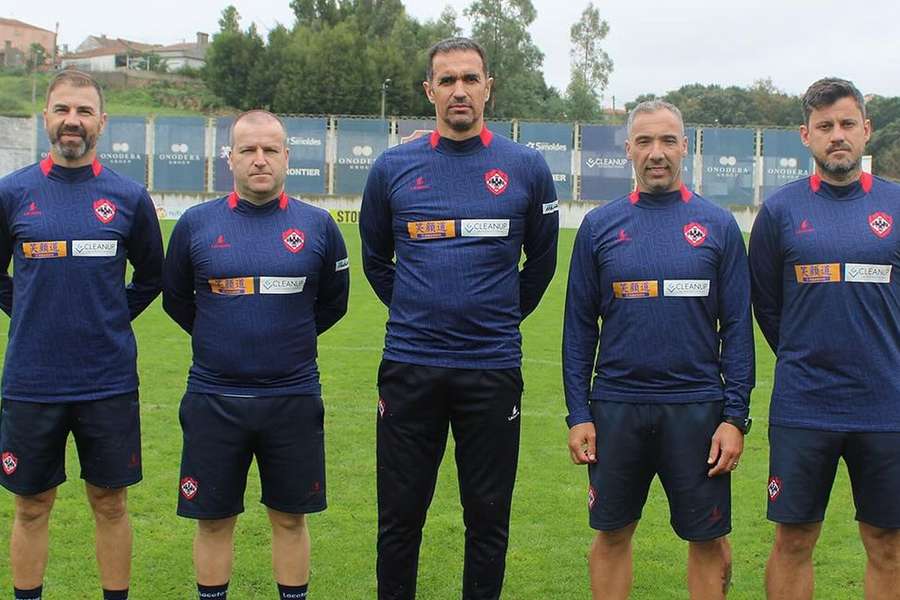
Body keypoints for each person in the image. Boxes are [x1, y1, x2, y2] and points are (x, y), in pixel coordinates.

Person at [359, 37, 559, 599]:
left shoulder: (525, 167)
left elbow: (540, 262)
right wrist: (415, 309)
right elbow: (375, 257)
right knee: (399, 520)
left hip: (491, 368)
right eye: (446, 80)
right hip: (410, 366)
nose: (459, 90)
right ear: (429, 91)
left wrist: (497, 317)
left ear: (488, 87)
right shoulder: (394, 166)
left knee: (488, 520)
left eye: (470, 78)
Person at [563, 100, 754, 599]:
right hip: (617, 407)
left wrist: (735, 418)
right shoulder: (599, 227)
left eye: (668, 141)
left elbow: (737, 329)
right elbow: (579, 329)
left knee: (708, 537)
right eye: (645, 141)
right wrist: (578, 413)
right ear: (628, 149)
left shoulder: (717, 225)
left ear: (685, 147)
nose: (656, 153)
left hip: (696, 409)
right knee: (611, 533)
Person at [162, 109, 349, 600]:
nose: (260, 159)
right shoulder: (196, 224)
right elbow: (178, 300)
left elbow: (333, 303)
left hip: (292, 397)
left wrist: (284, 341)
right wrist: (221, 340)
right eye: (248, 150)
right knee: (212, 520)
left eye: (270, 150)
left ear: (287, 157)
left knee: (290, 519)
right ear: (231, 159)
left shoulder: (318, 225)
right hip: (213, 397)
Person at [0, 69, 164, 600]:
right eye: (64, 110)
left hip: (107, 381)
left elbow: (153, 276)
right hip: (32, 380)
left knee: (111, 503)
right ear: (46, 117)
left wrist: (110, 318)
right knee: (30, 505)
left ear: (102, 122)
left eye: (84, 111)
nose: (73, 121)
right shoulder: (11, 193)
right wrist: (27, 312)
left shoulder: (129, 197)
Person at [749, 78, 900, 599]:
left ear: (866, 131)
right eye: (825, 127)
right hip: (804, 405)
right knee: (793, 540)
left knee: (887, 543)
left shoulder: (897, 206)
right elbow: (767, 306)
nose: (837, 136)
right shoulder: (779, 212)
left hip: (886, 407)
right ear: (805, 135)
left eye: (847, 124)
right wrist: (800, 355)